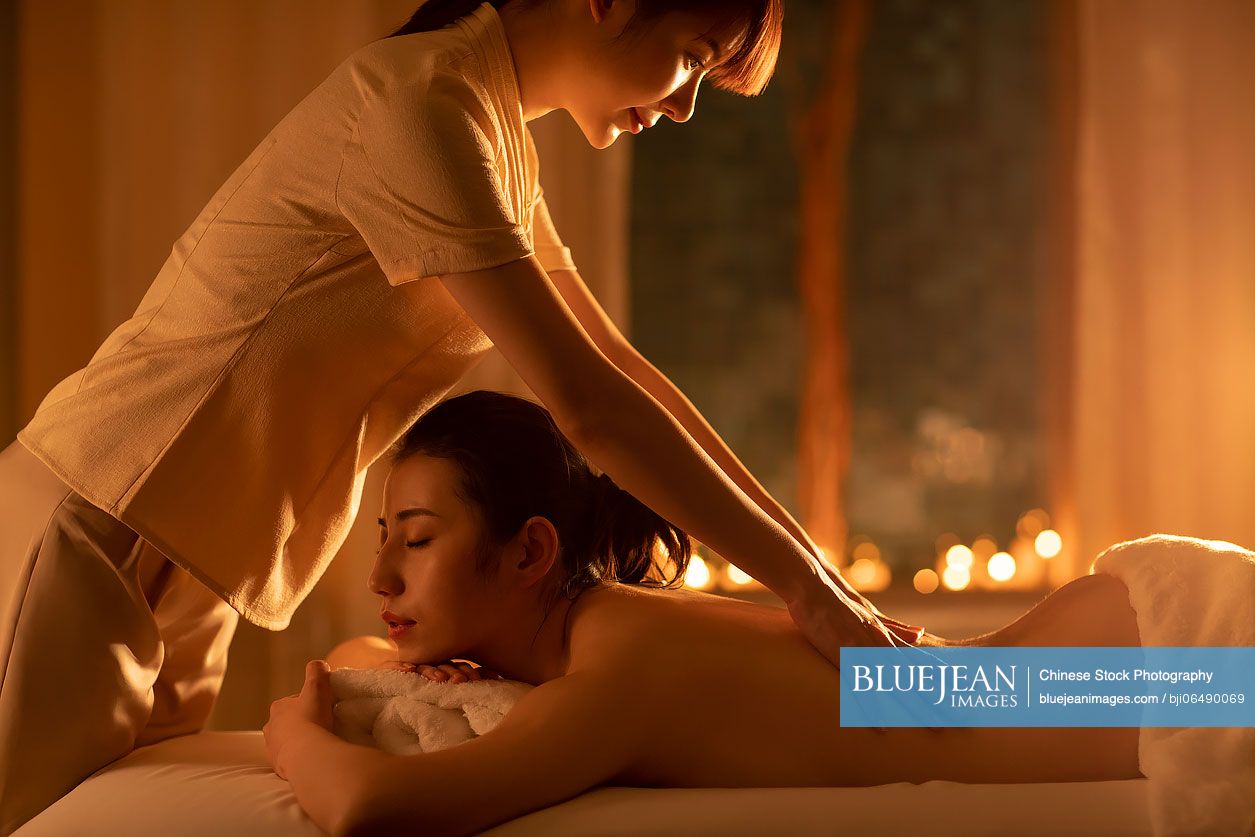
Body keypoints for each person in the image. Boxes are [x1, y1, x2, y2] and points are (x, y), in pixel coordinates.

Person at [0, 1, 927, 833]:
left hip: (186, 556)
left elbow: (622, 372)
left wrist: (814, 576)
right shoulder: (417, 109)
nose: (687, 104)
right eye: (692, 56)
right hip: (99, 514)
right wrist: (807, 593)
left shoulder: (483, 134)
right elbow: (592, 407)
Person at [262, 389, 1144, 836]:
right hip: (1088, 667)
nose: (379, 573)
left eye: (413, 540)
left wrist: (287, 726)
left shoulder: (617, 669)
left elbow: (367, 808)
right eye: (384, 536)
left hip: (1114, 683)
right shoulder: (596, 630)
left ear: (531, 552)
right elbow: (360, 650)